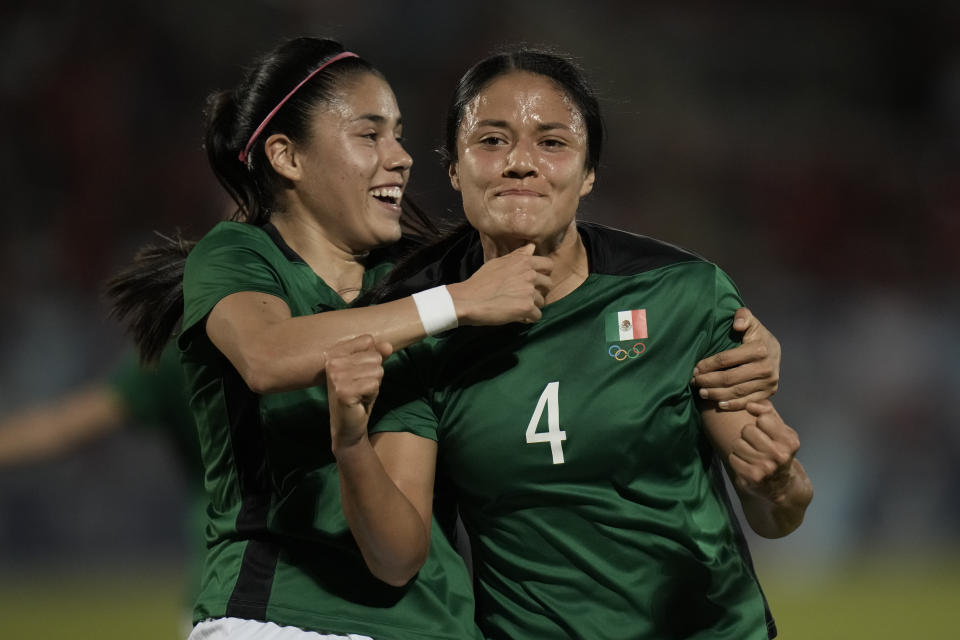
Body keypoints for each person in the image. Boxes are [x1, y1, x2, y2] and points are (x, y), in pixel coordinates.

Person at [108, 37, 782, 640]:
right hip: (286, 614)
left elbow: (550, 249)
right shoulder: (243, 258)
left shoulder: (408, 280)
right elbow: (270, 354)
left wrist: (743, 340)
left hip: (434, 623)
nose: (400, 158)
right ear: (287, 156)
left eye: (399, 134)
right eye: (370, 135)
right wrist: (458, 302)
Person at [327, 48, 813, 640]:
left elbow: (771, 512)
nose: (520, 164)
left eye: (552, 143)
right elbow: (395, 558)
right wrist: (350, 443)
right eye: (491, 141)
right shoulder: (421, 327)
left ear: (588, 173)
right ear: (454, 167)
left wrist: (783, 486)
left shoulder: (681, 294)